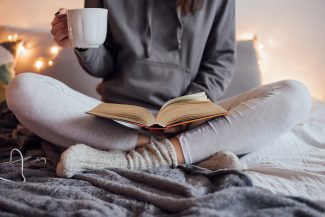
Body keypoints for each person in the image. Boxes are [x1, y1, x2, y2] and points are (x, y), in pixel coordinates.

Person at [6, 0, 311, 178]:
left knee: (295, 94)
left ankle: (140, 155)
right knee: (22, 88)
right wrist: (83, 45)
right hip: (116, 118)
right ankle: (193, 152)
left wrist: (189, 113)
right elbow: (104, 66)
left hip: (193, 114)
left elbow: (220, 60)